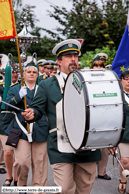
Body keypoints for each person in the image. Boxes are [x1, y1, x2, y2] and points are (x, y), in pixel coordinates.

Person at [22, 39, 101, 194]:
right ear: (59, 62)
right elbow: (37, 109)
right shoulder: (47, 84)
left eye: (75, 56)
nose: (73, 59)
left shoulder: (89, 81)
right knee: (64, 189)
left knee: (85, 188)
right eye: (68, 56)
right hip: (60, 145)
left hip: (87, 145)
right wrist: (32, 114)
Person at [5, 62, 49, 194]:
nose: (31, 74)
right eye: (28, 72)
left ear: (37, 75)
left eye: (34, 72)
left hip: (40, 128)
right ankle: (22, 184)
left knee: (39, 163)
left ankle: (38, 190)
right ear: (23, 74)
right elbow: (7, 106)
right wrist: (19, 96)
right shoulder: (15, 88)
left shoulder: (43, 88)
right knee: (22, 162)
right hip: (21, 129)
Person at [90, 57, 111, 181]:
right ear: (92, 68)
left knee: (104, 145)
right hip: (90, 115)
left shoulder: (108, 82)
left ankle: (102, 171)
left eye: (100, 66)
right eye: (96, 66)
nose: (98, 68)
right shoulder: (86, 80)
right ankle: (90, 170)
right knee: (91, 144)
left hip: (104, 115)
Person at [0, 64, 20, 186]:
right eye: (12, 72)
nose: (14, 74)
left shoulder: (21, 86)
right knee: (7, 152)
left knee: (17, 152)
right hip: (4, 119)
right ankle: (9, 175)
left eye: (17, 72)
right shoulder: (1, 87)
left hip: (17, 119)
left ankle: (17, 177)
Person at [117, 67, 129, 194]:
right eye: (126, 79)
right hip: (123, 132)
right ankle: (123, 180)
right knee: (125, 161)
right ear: (121, 81)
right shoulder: (118, 95)